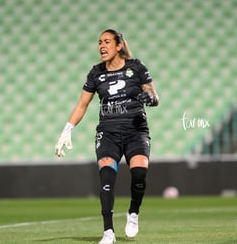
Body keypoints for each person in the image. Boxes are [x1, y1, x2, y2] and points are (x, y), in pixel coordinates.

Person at [55, 29, 159, 244]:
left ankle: (133, 213)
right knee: (107, 179)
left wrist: (148, 97)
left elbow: (153, 95)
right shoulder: (96, 73)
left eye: (107, 42)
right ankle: (108, 232)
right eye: (100, 42)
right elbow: (82, 104)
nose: (102, 46)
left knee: (139, 173)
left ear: (119, 46)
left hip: (136, 131)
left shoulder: (136, 67)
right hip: (108, 133)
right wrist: (67, 130)